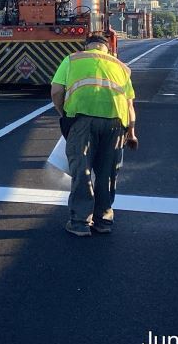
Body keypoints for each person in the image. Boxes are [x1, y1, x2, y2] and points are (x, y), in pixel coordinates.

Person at [50, 31, 137, 237]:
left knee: (82, 171)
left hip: (82, 121)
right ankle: (103, 221)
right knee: (107, 174)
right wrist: (132, 133)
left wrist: (64, 113)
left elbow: (56, 91)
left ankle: (80, 223)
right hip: (116, 124)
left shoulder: (72, 59)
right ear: (107, 47)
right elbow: (130, 105)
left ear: (87, 46)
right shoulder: (121, 68)